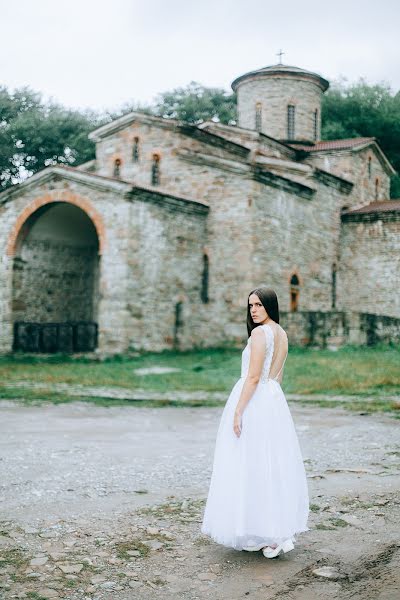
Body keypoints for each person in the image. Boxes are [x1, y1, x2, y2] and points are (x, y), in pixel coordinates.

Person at [200, 286, 309, 558]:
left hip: (256, 399)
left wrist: (238, 411)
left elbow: (252, 377)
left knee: (251, 462)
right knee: (267, 463)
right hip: (272, 398)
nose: (254, 310)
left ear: (270, 305)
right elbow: (276, 375)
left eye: (259, 304)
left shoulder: (260, 334)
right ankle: (264, 531)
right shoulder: (281, 333)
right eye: (251, 306)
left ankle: (273, 534)